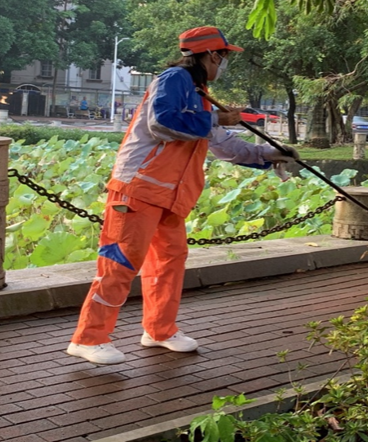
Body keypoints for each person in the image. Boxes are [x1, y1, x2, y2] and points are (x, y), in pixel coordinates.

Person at [67, 26, 299, 365]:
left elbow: (223, 144)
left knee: (169, 262)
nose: (225, 64)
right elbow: (162, 123)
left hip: (171, 195)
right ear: (212, 55)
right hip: (139, 188)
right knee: (119, 263)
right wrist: (216, 117)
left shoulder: (199, 92)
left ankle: (160, 330)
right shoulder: (173, 79)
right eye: (224, 57)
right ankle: (88, 338)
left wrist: (270, 153)